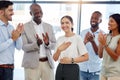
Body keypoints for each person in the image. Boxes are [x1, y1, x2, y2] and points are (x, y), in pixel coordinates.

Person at [21, 3, 56, 80]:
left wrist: (47, 43)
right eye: (36, 12)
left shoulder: (49, 26)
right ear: (31, 13)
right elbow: (24, 47)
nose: (39, 14)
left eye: (40, 12)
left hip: (47, 63)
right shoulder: (24, 27)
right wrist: (36, 44)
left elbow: (54, 45)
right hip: (31, 65)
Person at [53, 15, 88, 80]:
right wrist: (59, 50)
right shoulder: (59, 39)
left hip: (72, 68)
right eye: (62, 23)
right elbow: (55, 59)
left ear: (72, 24)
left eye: (67, 23)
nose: (64, 25)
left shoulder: (77, 38)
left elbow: (86, 57)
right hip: (60, 68)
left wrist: (71, 60)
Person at [0, 1, 24, 80]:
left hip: (9, 68)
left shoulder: (11, 27)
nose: (13, 13)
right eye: (10, 10)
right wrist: (12, 39)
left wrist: (19, 34)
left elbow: (19, 47)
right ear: (1, 12)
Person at [79, 11, 103, 80]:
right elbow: (79, 51)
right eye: (92, 17)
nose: (93, 20)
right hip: (82, 69)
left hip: (95, 71)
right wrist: (85, 42)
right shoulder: (83, 33)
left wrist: (93, 42)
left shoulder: (103, 34)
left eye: (96, 18)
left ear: (100, 21)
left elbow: (99, 54)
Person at [98, 13, 120, 80]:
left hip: (115, 74)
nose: (109, 23)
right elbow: (100, 55)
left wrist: (104, 44)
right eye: (109, 21)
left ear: (118, 24)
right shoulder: (106, 36)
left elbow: (115, 57)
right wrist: (100, 42)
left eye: (111, 21)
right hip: (103, 72)